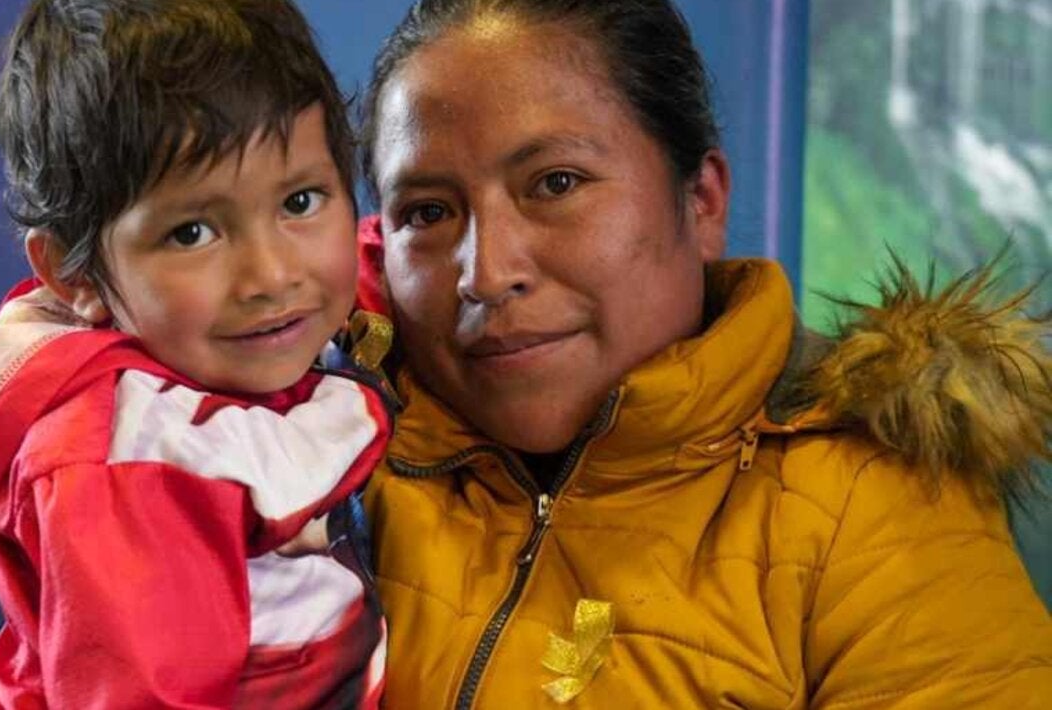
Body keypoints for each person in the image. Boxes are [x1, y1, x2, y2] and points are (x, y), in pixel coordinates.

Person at [354, 0, 1052, 707]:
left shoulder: (873, 509)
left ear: (703, 200)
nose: (485, 272)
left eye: (556, 183)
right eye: (428, 213)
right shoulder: (325, 470)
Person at [0, 1, 393, 706]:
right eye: (192, 233)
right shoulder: (123, 465)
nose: (272, 276)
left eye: (299, 202)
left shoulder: (232, 338)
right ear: (74, 277)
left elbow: (364, 268)